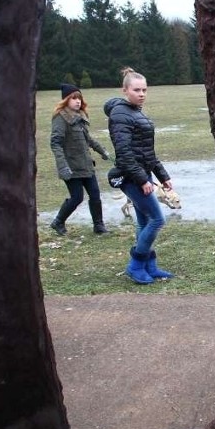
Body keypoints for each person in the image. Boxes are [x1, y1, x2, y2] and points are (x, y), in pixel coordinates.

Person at [104, 67, 174, 284]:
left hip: (140, 174)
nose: (141, 94)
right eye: (136, 90)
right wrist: (143, 180)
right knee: (156, 219)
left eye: (144, 89)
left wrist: (163, 176)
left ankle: (149, 266)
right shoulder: (121, 114)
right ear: (125, 90)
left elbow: (147, 152)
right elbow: (124, 153)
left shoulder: (136, 111)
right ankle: (135, 266)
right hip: (130, 177)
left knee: (144, 221)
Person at [49, 83, 112, 236]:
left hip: (86, 165)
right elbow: (55, 143)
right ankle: (58, 222)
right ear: (66, 100)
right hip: (71, 167)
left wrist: (102, 150)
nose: (78, 101)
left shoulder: (79, 117)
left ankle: (99, 226)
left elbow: (87, 139)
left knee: (95, 195)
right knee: (77, 198)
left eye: (79, 98)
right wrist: (63, 166)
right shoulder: (61, 118)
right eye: (74, 98)